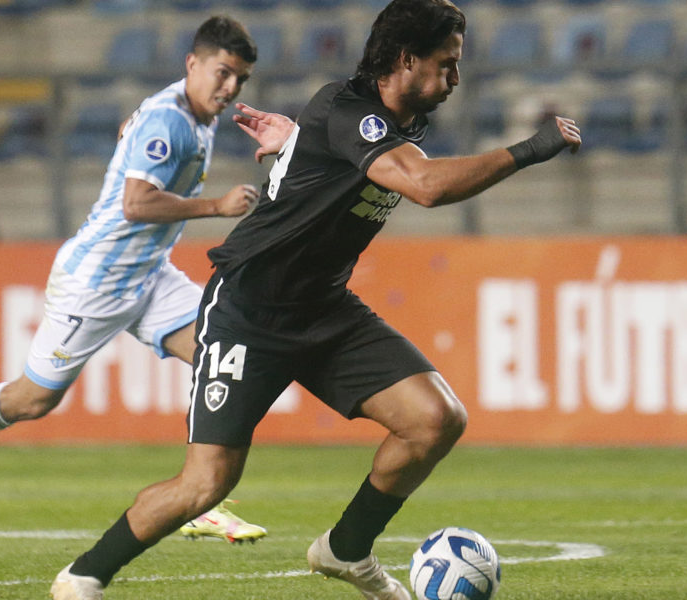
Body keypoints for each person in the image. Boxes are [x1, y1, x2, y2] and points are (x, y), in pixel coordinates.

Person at [50, 1, 582, 598]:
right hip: (249, 309)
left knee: (435, 420)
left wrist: (298, 143)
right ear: (406, 60)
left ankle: (345, 550)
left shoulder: (388, 120)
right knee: (206, 484)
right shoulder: (352, 110)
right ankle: (85, 576)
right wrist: (531, 149)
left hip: (323, 307)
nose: (456, 77)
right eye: (447, 63)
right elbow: (426, 186)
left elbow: (335, 165)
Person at [0, 15, 291, 544]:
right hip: (97, 282)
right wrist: (216, 205)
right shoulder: (169, 119)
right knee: (32, 400)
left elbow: (138, 131)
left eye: (240, 78)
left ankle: (194, 497)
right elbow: (136, 202)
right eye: (223, 72)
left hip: (148, 275)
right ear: (193, 64)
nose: (231, 87)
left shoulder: (190, 108)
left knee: (228, 354)